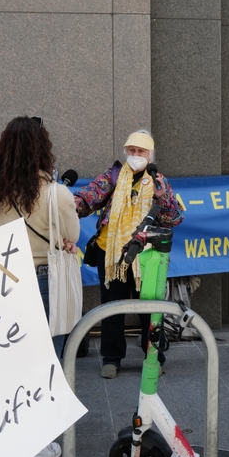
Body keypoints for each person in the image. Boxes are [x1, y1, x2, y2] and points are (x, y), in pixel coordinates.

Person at [0, 115, 80, 457]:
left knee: (16, 360)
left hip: (6, 281)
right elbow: (71, 236)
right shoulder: (57, 194)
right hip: (44, 281)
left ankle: (14, 434)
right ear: (43, 148)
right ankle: (36, 444)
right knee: (46, 362)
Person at [73, 130, 182, 379]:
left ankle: (153, 356)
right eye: (131, 151)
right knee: (112, 309)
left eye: (141, 151)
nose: (135, 155)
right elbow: (88, 197)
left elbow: (175, 217)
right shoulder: (112, 177)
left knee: (150, 309)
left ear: (150, 154)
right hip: (112, 256)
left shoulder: (159, 182)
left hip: (148, 256)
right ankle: (111, 359)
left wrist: (161, 197)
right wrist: (67, 204)